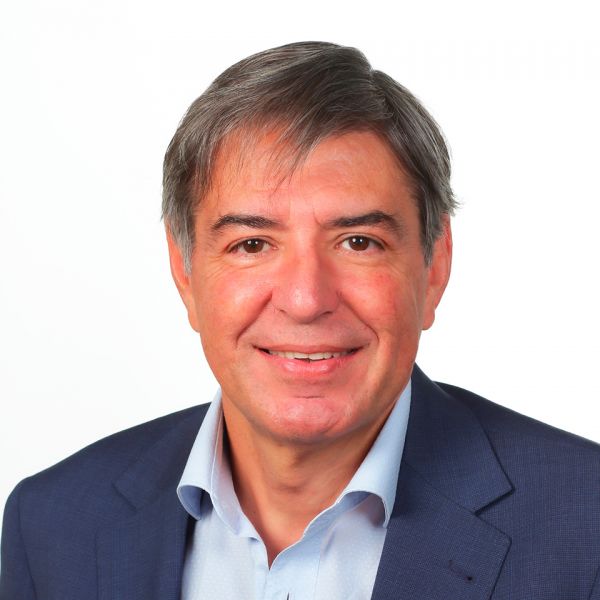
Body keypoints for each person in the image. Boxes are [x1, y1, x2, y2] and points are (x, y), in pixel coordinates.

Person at [1, 41, 600, 600]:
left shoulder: (585, 524)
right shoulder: (50, 526)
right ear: (184, 272)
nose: (306, 299)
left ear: (434, 266)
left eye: (358, 242)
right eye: (252, 245)